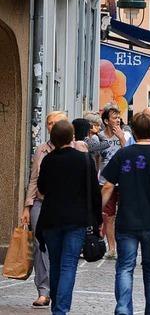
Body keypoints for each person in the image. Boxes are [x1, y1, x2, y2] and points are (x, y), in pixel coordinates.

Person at [101, 112, 150, 315]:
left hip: (127, 221)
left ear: (133, 132)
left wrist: (96, 212)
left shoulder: (123, 154)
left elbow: (108, 187)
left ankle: (123, 309)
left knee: (125, 267)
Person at [21, 111, 87, 309]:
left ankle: (59, 299)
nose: (51, 127)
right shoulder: (42, 150)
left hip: (70, 208)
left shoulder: (80, 148)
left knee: (64, 260)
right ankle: (44, 291)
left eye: (55, 123)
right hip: (43, 204)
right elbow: (35, 181)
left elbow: (88, 180)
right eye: (49, 123)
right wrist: (27, 206)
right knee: (42, 250)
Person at [36, 120, 101, 315]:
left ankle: (58, 307)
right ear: (72, 137)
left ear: (53, 139)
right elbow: (94, 193)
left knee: (55, 264)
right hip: (76, 221)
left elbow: (42, 188)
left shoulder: (48, 160)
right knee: (68, 265)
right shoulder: (84, 160)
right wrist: (97, 221)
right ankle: (60, 310)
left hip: (51, 220)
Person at [98, 105, 131, 260]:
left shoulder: (127, 135)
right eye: (114, 117)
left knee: (123, 216)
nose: (117, 120)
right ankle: (111, 248)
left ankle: (124, 246)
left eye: (118, 117)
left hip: (123, 181)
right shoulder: (99, 137)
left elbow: (130, 154)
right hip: (105, 181)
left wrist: (121, 138)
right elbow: (96, 158)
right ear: (106, 121)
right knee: (108, 216)